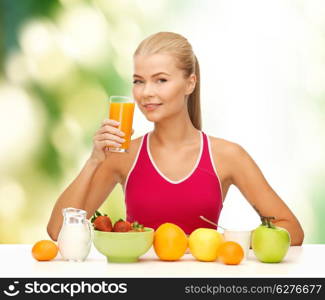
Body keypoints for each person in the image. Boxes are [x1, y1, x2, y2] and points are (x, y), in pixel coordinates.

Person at [47, 32, 304, 245]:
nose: (146, 92)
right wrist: (93, 161)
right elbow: (58, 231)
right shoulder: (123, 156)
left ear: (190, 84)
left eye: (160, 80)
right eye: (139, 81)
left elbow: (291, 229)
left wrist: (232, 242)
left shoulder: (227, 156)